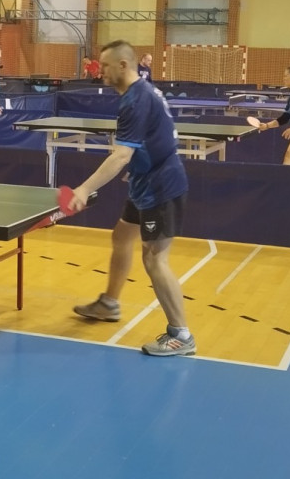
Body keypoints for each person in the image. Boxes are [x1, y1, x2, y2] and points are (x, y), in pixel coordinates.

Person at [69, 40, 195, 357]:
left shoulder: (136, 100)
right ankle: (110, 303)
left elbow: (121, 154)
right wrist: (139, 165)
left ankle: (181, 335)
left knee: (154, 258)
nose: (100, 71)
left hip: (161, 187)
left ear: (123, 65)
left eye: (105, 65)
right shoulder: (140, 93)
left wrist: (84, 189)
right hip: (145, 181)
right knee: (122, 235)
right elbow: (158, 135)